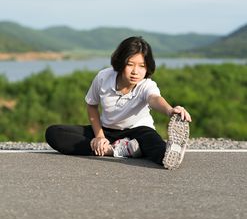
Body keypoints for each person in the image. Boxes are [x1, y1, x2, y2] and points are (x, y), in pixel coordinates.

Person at [45, 36, 192, 170]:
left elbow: (154, 99)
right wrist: (99, 136)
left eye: (142, 66)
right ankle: (118, 149)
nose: (136, 71)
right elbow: (92, 105)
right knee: (54, 133)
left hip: (138, 131)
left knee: (160, 152)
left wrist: (170, 110)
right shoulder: (103, 77)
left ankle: (133, 149)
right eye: (130, 64)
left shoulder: (146, 85)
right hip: (107, 130)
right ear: (121, 62)